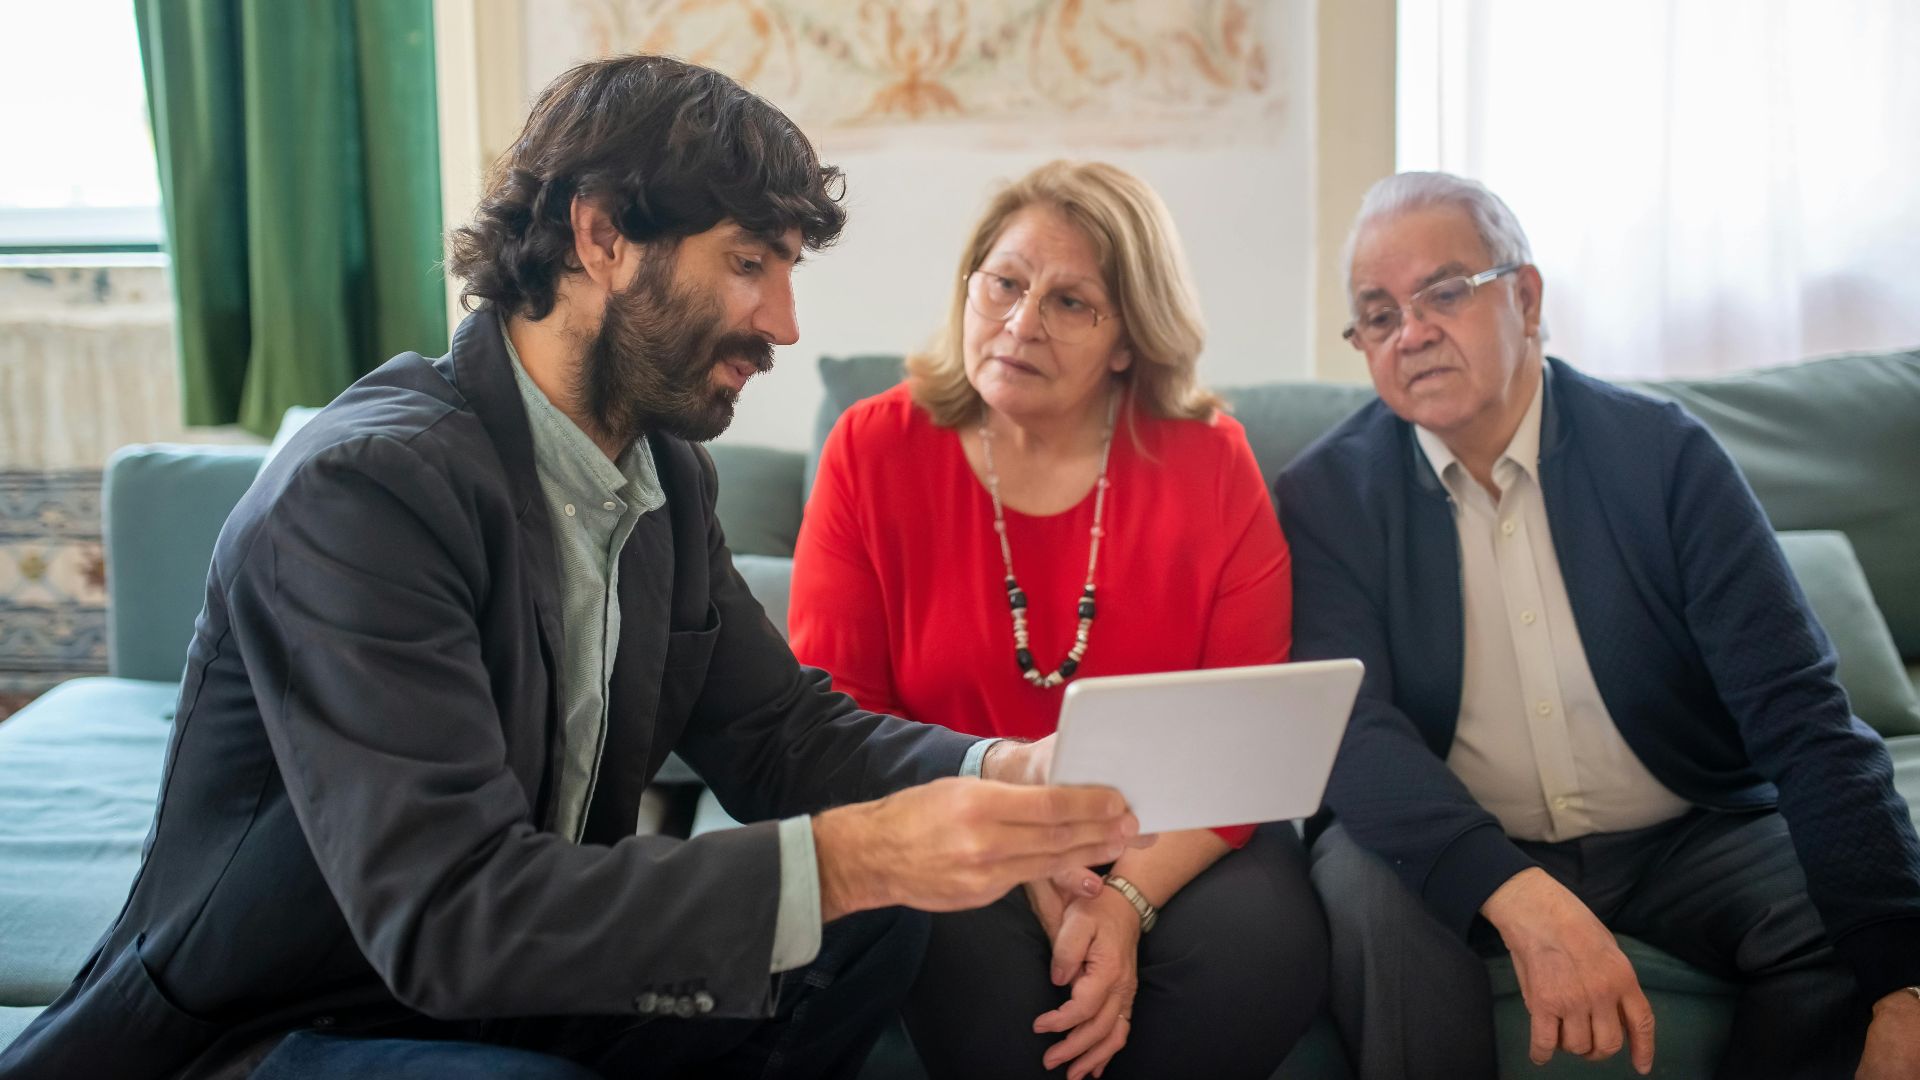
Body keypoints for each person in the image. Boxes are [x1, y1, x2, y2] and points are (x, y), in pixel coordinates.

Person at [0, 56, 1145, 1080]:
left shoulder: (662, 479)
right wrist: (848, 855)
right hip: (286, 1021)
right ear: (601, 237)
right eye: (748, 261)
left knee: (877, 924)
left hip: (506, 993)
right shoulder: (366, 491)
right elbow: (449, 915)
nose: (784, 322)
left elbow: (783, 735)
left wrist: (1005, 772)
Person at [1277, 170, 1920, 1079]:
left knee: (1834, 915)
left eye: (1445, 293)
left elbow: (1799, 710)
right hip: (1456, 836)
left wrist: (1905, 979)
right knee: (1363, 889)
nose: (1411, 332)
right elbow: (1352, 730)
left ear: (1526, 296)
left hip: (1684, 830)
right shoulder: (1326, 496)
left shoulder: (1665, 456)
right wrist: (1509, 886)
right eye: (1378, 314)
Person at [788, 160, 1328, 1080]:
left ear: (1128, 340)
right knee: (998, 1009)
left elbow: (1248, 744)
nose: (1020, 321)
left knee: (1256, 959)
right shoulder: (874, 449)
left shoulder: (1209, 460)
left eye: (1072, 302)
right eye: (1005, 282)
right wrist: (1029, 859)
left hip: (1180, 833)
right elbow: (839, 720)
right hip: (950, 820)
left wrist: (1120, 904)